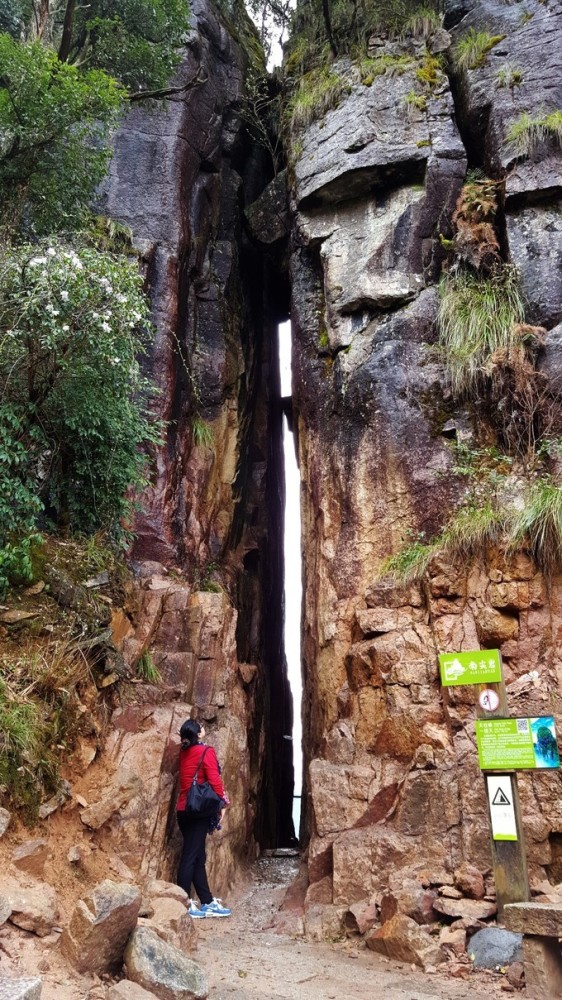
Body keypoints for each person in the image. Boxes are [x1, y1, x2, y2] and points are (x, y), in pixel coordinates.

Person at [176, 718, 232, 918]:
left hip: (183, 811)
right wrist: (223, 802)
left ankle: (206, 901)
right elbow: (214, 779)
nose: (203, 727)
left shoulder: (184, 752)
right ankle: (183, 904)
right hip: (197, 811)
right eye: (201, 726)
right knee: (190, 857)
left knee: (198, 857)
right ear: (198, 733)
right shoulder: (206, 751)